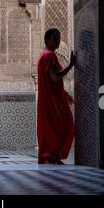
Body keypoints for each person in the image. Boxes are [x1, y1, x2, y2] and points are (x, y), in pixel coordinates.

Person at [37, 28, 75, 164]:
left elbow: (50, 80)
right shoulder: (50, 56)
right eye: (54, 38)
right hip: (52, 102)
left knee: (51, 128)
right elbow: (55, 76)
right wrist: (71, 65)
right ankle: (52, 155)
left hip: (47, 100)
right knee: (66, 125)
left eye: (58, 38)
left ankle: (51, 156)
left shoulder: (43, 55)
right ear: (46, 40)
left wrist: (64, 94)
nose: (57, 41)